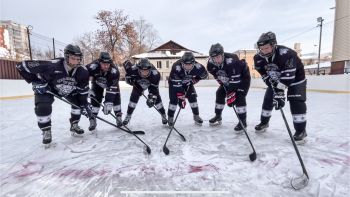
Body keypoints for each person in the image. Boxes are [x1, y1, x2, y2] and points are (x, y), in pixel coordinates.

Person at [16, 44, 92, 145]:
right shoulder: (52, 65)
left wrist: (84, 104)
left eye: (78, 59)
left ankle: (74, 124)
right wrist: (36, 82)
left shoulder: (83, 71)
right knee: (43, 107)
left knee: (77, 105)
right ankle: (46, 130)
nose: (76, 61)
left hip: (68, 89)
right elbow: (21, 66)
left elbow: (82, 91)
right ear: (66, 56)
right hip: (48, 88)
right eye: (73, 58)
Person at [254, 31, 307, 144]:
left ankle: (301, 131)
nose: (264, 51)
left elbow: (288, 77)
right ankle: (264, 122)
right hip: (276, 79)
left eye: (267, 48)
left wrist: (280, 92)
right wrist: (269, 82)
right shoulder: (257, 58)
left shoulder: (287, 54)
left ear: (274, 44)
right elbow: (262, 72)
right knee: (268, 100)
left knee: (296, 101)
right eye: (261, 48)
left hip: (295, 79)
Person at [207, 43, 251, 133]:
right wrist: (221, 82)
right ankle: (218, 115)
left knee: (239, 97)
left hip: (242, 80)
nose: (216, 60)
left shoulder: (232, 61)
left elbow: (235, 82)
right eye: (213, 58)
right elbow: (216, 75)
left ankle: (243, 122)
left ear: (222, 55)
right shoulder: (210, 64)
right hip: (228, 79)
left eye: (218, 57)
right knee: (219, 93)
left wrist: (230, 94)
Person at [167, 51, 208, 126]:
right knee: (174, 100)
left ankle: (196, 116)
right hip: (174, 84)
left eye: (190, 65)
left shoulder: (198, 67)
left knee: (193, 97)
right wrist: (181, 97)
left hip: (188, 83)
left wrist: (196, 79)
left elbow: (205, 75)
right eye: (186, 64)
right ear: (182, 63)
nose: (188, 67)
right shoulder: (176, 67)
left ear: (194, 63)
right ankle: (170, 117)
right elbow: (177, 85)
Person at [122, 58, 167, 125]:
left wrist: (152, 98)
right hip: (138, 85)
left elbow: (154, 89)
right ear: (138, 69)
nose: (145, 73)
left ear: (150, 69)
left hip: (151, 85)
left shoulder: (155, 75)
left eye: (147, 71)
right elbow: (126, 62)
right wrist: (127, 78)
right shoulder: (132, 70)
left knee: (157, 100)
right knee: (133, 99)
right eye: (143, 71)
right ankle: (128, 116)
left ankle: (163, 115)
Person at [86, 52, 122, 130]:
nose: (106, 66)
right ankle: (92, 119)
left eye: (108, 64)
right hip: (97, 84)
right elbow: (82, 76)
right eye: (103, 63)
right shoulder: (92, 67)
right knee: (95, 99)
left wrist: (108, 103)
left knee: (116, 98)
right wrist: (86, 88)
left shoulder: (114, 72)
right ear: (99, 62)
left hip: (111, 84)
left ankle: (118, 117)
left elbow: (112, 89)